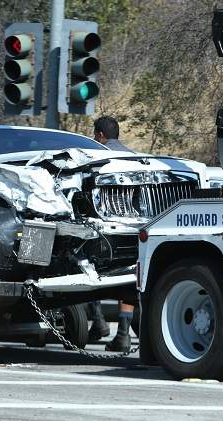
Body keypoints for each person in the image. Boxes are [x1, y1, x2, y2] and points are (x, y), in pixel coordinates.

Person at [88, 116, 136, 352]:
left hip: (104, 227)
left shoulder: (95, 155)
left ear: (99, 135)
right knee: (127, 279)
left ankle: (98, 322)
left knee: (86, 269)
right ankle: (123, 335)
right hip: (132, 228)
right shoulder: (134, 157)